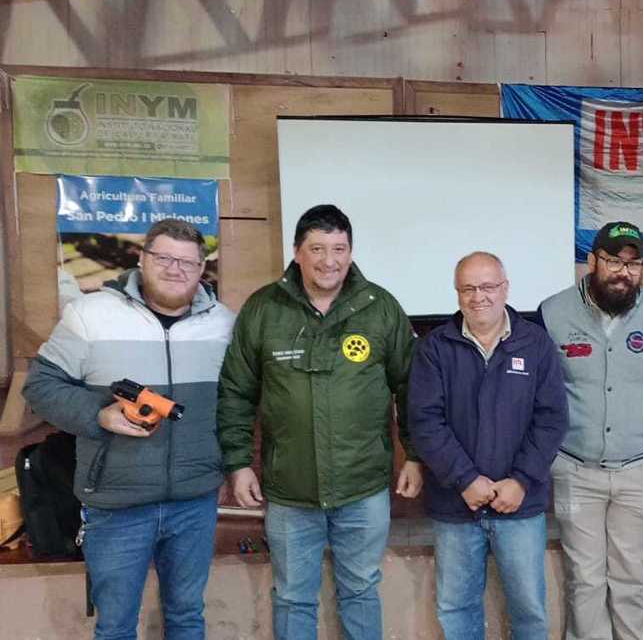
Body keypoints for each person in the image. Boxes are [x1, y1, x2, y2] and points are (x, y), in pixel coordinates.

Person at [216, 204, 422, 640]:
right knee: (293, 596)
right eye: (317, 249)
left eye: (339, 249)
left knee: (361, 589)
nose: (329, 260)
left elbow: (410, 387)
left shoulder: (381, 308)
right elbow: (236, 391)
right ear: (297, 252)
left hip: (363, 487)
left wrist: (415, 455)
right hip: (290, 491)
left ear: (351, 251)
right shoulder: (263, 309)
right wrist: (238, 463)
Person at [22, 219, 235, 640]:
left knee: (187, 616)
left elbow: (237, 404)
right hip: (117, 504)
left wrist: (229, 468)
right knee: (116, 626)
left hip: (194, 502)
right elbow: (40, 386)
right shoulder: (90, 315)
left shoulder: (224, 324)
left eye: (187, 262)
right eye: (164, 258)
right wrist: (99, 415)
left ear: (201, 268)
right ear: (142, 258)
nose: (175, 269)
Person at [538, 221, 643, 640]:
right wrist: (550, 456)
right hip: (574, 470)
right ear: (592, 261)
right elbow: (534, 393)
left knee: (629, 581)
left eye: (633, 263)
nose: (623, 272)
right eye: (613, 261)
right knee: (585, 580)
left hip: (641, 473)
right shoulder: (552, 314)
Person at [408, 251, 569, 640]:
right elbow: (425, 422)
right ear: (457, 293)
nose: (478, 297)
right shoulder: (434, 348)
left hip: (520, 505)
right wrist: (465, 479)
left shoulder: (536, 344)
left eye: (487, 287)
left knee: (529, 611)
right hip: (455, 505)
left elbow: (551, 419)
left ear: (505, 288)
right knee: (457, 609)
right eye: (468, 289)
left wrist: (521, 480)